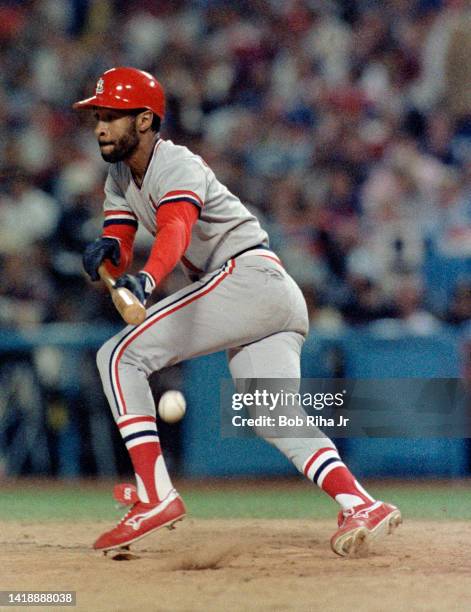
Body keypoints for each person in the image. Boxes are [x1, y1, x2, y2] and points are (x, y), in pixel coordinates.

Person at [74, 67, 401, 556]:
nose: (100, 125)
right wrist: (107, 253)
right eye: (97, 115)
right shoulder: (119, 177)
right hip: (264, 294)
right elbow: (121, 242)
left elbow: (176, 230)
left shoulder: (176, 164)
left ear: (144, 120)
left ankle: (155, 496)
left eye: (111, 116)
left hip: (245, 277)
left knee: (117, 357)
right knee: (274, 415)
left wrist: (146, 278)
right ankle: (360, 502)